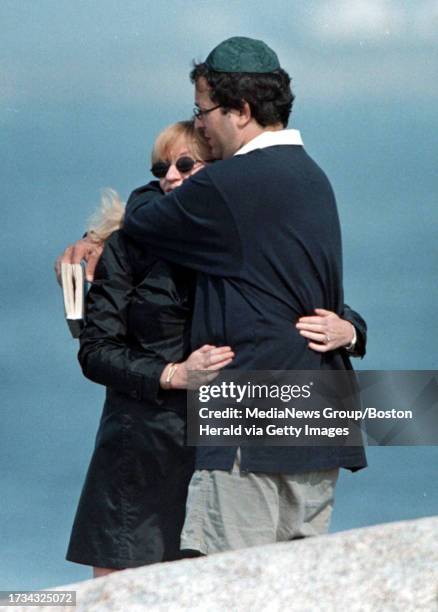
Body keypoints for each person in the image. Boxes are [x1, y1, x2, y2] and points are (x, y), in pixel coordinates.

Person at [57, 37, 367, 557]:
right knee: (298, 588)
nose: (200, 123)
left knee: (232, 587)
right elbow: (301, 288)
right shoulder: (315, 178)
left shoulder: (228, 184)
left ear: (240, 111)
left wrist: (101, 233)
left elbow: (145, 216)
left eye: (202, 112)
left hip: (248, 414)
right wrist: (353, 330)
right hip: (319, 419)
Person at [66, 120, 234, 577]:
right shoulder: (127, 245)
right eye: (163, 167)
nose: (171, 176)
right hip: (137, 447)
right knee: (116, 595)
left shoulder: (242, 240)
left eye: (185, 164)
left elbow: (308, 296)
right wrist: (171, 373)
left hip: (217, 451)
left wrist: (349, 329)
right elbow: (95, 350)